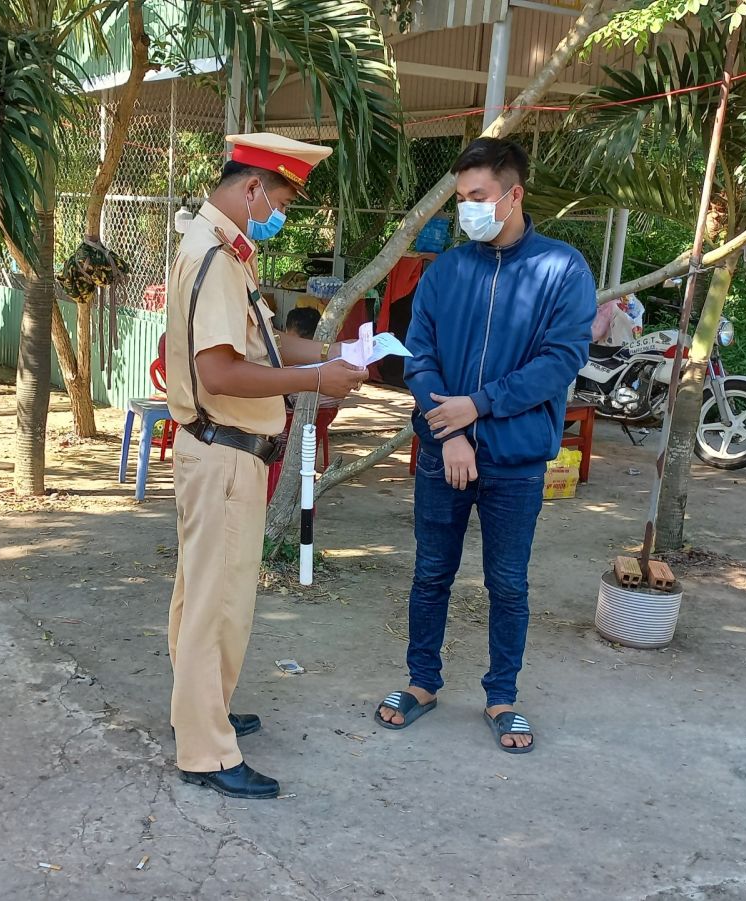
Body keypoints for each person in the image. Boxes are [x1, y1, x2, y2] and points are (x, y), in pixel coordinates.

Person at [375, 138, 595, 753]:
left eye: (477, 198)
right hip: (444, 452)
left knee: (508, 583)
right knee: (431, 574)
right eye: (460, 200)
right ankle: (421, 683)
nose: (465, 211)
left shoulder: (562, 269)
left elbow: (560, 361)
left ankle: (502, 696)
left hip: (517, 458)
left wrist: (480, 406)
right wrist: (452, 431)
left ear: (513, 194)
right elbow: (418, 358)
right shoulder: (446, 271)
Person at [166, 133, 369, 799]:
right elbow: (219, 370)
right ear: (252, 188)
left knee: (207, 595)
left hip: (221, 451)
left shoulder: (220, 248)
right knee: (217, 602)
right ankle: (206, 750)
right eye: (278, 199)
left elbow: (258, 339)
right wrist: (315, 378)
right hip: (224, 450)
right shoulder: (215, 258)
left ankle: (205, 708)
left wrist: (326, 354)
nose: (278, 214)